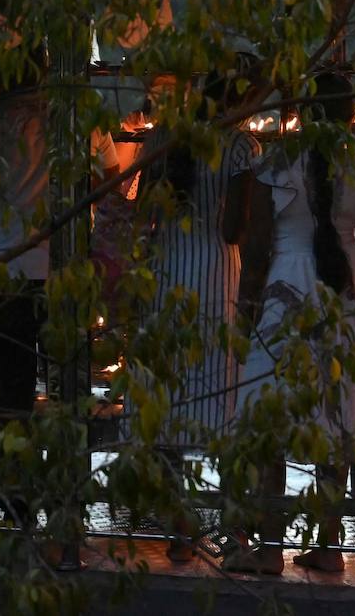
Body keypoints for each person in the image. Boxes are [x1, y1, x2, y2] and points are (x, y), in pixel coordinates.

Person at [230, 76, 355, 574]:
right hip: (347, 295)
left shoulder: (275, 165)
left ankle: (269, 547)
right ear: (349, 117)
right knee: (338, 419)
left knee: (269, 422)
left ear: (302, 114)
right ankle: (328, 543)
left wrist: (244, 309)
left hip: (284, 293)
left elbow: (256, 248)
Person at [0, 49, 120, 517]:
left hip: (4, 272)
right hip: (63, 271)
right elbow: (113, 178)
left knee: (11, 394)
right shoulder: (74, 120)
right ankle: (68, 494)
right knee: (69, 388)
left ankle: (18, 497)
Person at [135, 68, 260, 561]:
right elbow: (235, 230)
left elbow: (142, 205)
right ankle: (236, 531)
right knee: (223, 404)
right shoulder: (240, 147)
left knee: (164, 404)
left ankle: (180, 524)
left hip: (165, 275)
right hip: (214, 280)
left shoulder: (166, 135)